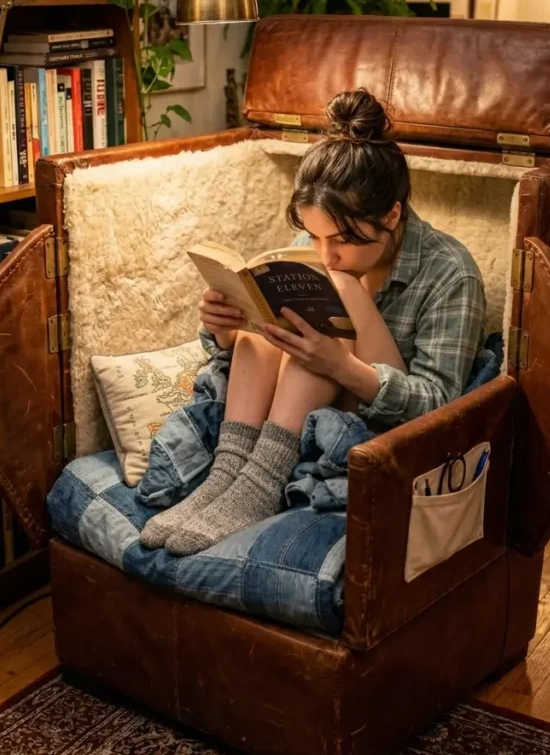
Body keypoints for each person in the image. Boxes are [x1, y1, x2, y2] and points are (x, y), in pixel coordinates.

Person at [142, 88, 486, 555]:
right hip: (301, 413)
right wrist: (225, 327)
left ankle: (258, 486)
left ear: (392, 214)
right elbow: (262, 343)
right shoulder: (319, 245)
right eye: (315, 235)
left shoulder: (450, 272)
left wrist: (342, 367)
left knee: (328, 304)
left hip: (382, 426)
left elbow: (439, 406)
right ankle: (228, 475)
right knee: (274, 320)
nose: (327, 252)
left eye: (343, 238)